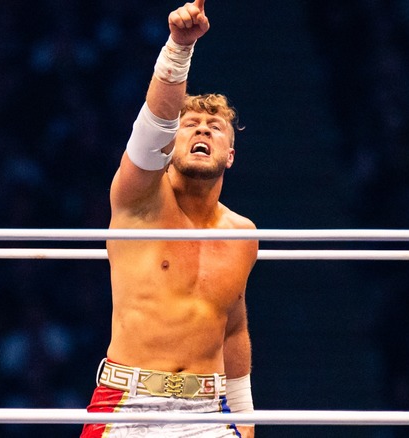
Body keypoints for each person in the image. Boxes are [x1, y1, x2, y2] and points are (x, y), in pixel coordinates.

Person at [80, 0, 258, 437]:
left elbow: (232, 329)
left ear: (230, 156)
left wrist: (245, 423)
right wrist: (180, 48)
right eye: (191, 124)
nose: (201, 130)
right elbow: (155, 123)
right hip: (129, 402)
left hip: (208, 409)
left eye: (214, 128)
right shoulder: (137, 198)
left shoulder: (243, 233)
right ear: (169, 149)